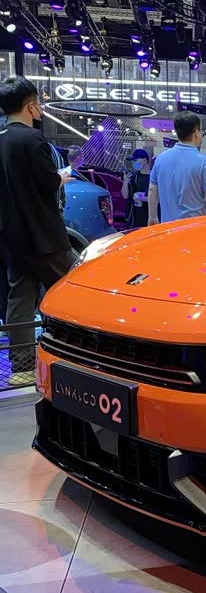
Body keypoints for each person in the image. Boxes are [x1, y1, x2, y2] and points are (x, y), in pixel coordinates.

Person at [0, 76, 74, 385]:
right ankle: (76, 357)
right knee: (75, 289)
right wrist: (61, 177)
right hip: (45, 237)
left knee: (19, 301)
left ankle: (21, 368)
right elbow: (47, 181)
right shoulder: (32, 139)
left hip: (12, 238)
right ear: (31, 106)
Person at [147, 111, 206, 225]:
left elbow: (152, 190)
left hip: (168, 227)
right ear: (196, 133)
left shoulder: (160, 159)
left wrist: (152, 216)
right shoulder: (204, 163)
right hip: (194, 228)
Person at [122, 148, 151, 227]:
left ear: (144, 160)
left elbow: (161, 199)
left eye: (135, 160)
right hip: (134, 219)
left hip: (150, 218)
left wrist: (144, 198)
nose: (133, 163)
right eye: (132, 161)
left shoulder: (154, 177)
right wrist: (125, 182)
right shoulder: (133, 177)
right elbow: (125, 196)